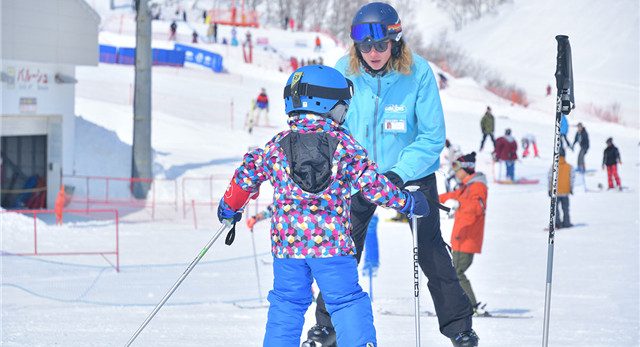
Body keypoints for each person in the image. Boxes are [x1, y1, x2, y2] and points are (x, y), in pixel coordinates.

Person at [216, 65, 429, 347]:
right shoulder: (344, 145)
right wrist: (408, 202)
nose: (344, 115)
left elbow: (248, 172)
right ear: (325, 104)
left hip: (288, 248)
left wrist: (230, 207)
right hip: (332, 247)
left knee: (286, 305)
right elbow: (373, 185)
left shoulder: (277, 146)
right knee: (345, 301)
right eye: (342, 108)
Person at [308, 3, 479, 347]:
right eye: (366, 47)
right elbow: (331, 126)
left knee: (431, 250)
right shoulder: (344, 70)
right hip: (359, 175)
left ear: (395, 41)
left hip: (411, 174)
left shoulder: (418, 73)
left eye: (381, 45)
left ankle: (459, 327)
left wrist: (399, 174)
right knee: (342, 250)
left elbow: (432, 136)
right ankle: (326, 326)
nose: (373, 53)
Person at [438, 152, 488, 315]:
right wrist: (431, 198)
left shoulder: (477, 187)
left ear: (467, 169)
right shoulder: (466, 187)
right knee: (454, 272)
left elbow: (477, 207)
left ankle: (471, 305)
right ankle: (463, 304)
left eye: (458, 169)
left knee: (456, 272)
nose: (456, 173)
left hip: (468, 238)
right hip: (460, 237)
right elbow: (450, 196)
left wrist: (458, 204)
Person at [548, 147, 574, 228]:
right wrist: (571, 188)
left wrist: (549, 189)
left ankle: (557, 223)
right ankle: (566, 222)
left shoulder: (554, 166)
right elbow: (572, 178)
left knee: (555, 209)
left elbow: (550, 178)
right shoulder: (569, 166)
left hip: (556, 192)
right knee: (565, 208)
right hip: (565, 191)